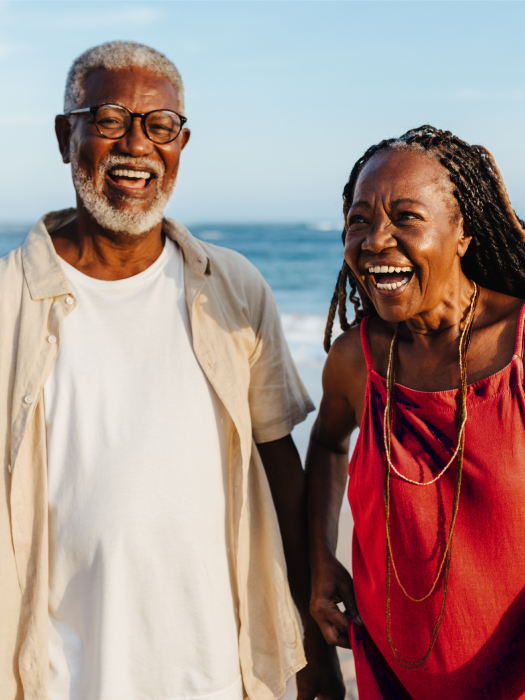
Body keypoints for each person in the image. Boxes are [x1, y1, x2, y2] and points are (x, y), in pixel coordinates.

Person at [0, 41, 344, 700]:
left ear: (181, 143)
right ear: (63, 135)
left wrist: (309, 651)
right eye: (108, 121)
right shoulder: (8, 301)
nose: (137, 145)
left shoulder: (233, 288)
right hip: (61, 673)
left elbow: (281, 471)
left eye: (160, 126)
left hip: (219, 667)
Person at [306, 125, 525, 700]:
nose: (375, 240)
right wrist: (319, 558)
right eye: (358, 220)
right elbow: (328, 443)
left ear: (463, 233)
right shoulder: (356, 360)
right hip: (390, 670)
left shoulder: (521, 345)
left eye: (406, 217)